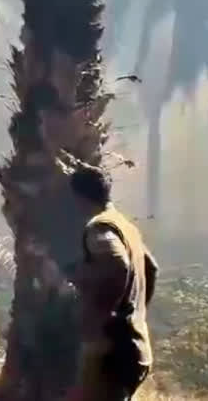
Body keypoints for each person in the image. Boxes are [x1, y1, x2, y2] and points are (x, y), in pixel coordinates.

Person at [69, 165, 159, 401]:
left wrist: (103, 319)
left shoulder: (100, 227)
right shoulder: (125, 226)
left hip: (112, 353)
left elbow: (117, 263)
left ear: (78, 198)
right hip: (135, 348)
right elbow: (151, 268)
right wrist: (135, 314)